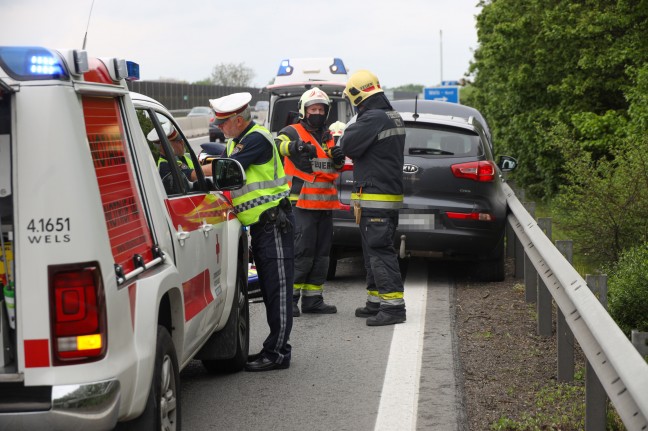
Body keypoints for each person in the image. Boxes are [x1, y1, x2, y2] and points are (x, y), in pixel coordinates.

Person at [209, 92, 294, 371]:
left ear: (237, 120)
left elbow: (225, 169)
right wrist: (195, 169)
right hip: (261, 226)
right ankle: (273, 349)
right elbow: (218, 164)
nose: (219, 128)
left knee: (277, 291)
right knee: (270, 290)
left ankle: (278, 353)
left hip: (273, 224)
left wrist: (196, 171)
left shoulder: (257, 138)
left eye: (222, 123)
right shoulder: (237, 141)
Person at [339, 70, 407, 326]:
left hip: (376, 197)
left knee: (379, 252)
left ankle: (393, 308)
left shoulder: (373, 119)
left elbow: (346, 145)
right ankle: (376, 302)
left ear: (358, 95)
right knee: (372, 252)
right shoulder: (391, 116)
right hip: (382, 196)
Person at [275, 88, 346, 316]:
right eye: (313, 109)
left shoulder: (327, 136)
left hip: (325, 205)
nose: (317, 112)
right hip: (301, 204)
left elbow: (333, 168)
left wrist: (338, 159)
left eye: (321, 109)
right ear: (304, 111)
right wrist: (293, 147)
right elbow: (277, 145)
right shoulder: (292, 131)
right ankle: (290, 300)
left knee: (321, 255)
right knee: (302, 253)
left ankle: (313, 300)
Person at [147, 122, 212, 189]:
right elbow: (192, 175)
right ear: (165, 146)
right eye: (178, 141)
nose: (182, 142)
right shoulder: (165, 166)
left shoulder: (186, 156)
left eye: (181, 139)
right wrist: (217, 168)